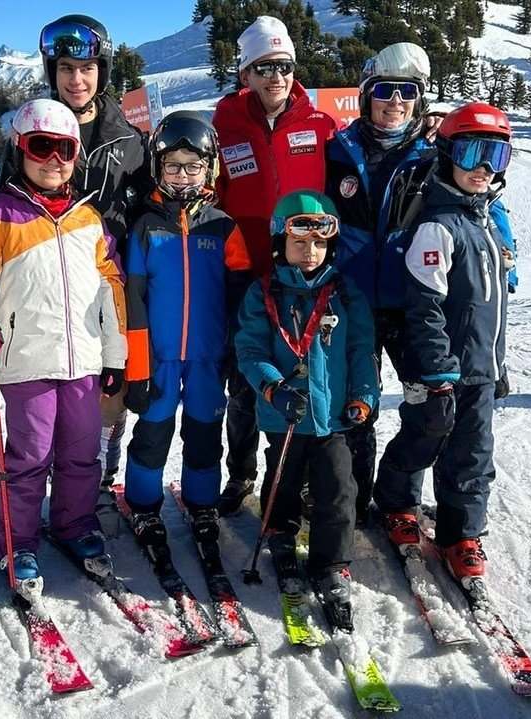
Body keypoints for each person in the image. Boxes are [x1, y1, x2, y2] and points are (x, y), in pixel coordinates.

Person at [327, 42, 517, 524]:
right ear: (367, 94)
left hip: (411, 303)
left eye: (407, 92)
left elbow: (486, 203)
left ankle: (400, 499)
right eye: (385, 90)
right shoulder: (337, 151)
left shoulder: (433, 155)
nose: (396, 102)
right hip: (351, 302)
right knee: (355, 411)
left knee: (428, 411)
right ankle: (350, 504)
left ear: (420, 99)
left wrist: (505, 256)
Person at [0, 98, 127, 585]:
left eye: (65, 149)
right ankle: (18, 539)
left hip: (84, 362)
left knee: (80, 454)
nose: (54, 160)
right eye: (41, 147)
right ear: (20, 148)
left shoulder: (88, 219)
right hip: (26, 361)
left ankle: (74, 522)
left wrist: (114, 356)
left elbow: (110, 287)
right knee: (29, 456)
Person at [372, 103, 514, 586]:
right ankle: (395, 501)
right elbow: (424, 308)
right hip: (441, 368)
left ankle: (461, 533)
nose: (483, 168)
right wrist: (436, 373)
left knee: (474, 453)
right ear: (448, 153)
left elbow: (492, 307)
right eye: (473, 152)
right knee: (425, 435)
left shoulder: (486, 221)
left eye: (496, 155)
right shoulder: (437, 224)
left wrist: (498, 364)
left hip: (480, 368)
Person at [212, 16, 339, 515]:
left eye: (283, 66)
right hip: (244, 274)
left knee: (301, 378)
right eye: (263, 68)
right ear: (246, 74)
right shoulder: (224, 124)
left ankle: (290, 481)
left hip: (304, 272)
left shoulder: (320, 125)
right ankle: (240, 475)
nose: (275, 77)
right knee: (244, 383)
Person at [235, 190, 378, 626]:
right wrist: (273, 388)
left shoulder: (344, 291)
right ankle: (280, 530)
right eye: (300, 242)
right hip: (286, 414)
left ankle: (332, 564)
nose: (310, 251)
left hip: (332, 415)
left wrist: (363, 397)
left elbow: (361, 349)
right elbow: (249, 349)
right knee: (284, 476)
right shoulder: (264, 292)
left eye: (319, 243)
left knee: (338, 487)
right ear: (281, 242)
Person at [36, 15, 152, 512]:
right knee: (48, 392)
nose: (76, 80)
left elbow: (148, 206)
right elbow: (7, 204)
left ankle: (100, 478)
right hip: (45, 283)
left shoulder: (126, 137)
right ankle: (50, 483)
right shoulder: (32, 128)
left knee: (108, 388)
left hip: (108, 283)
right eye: (65, 68)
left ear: (102, 71)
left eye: (86, 68)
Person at [120, 111, 251, 548]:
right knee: (152, 434)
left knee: (203, 435)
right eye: (172, 165)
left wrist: (237, 356)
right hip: (158, 360)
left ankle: (202, 505)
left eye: (193, 166)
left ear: (209, 168)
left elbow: (241, 303)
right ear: (158, 168)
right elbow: (133, 305)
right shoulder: (145, 227)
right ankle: (142, 508)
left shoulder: (223, 226)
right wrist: (136, 370)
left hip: (207, 360)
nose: (182, 175)